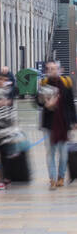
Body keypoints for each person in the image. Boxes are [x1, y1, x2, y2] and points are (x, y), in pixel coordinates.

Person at [36, 60, 76, 188]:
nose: (52, 71)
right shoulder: (43, 83)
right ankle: (52, 179)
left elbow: (70, 104)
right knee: (50, 153)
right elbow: (37, 101)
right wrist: (45, 104)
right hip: (49, 124)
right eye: (50, 69)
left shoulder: (66, 83)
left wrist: (74, 121)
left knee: (63, 154)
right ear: (47, 71)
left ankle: (61, 176)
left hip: (63, 123)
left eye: (55, 68)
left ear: (59, 70)